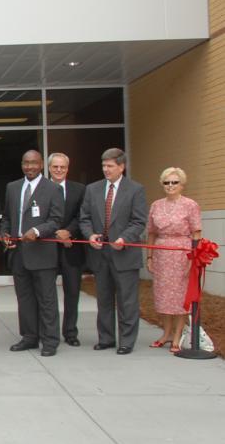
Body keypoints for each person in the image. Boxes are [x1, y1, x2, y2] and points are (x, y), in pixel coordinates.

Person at [79, 147, 147, 355]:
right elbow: (85, 218)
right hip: (101, 254)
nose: (106, 170)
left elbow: (139, 221)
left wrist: (124, 238)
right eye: (103, 166)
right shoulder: (93, 189)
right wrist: (90, 235)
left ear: (121, 167)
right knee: (105, 299)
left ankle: (126, 341)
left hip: (124, 254)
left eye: (110, 166)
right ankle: (106, 338)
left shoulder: (135, 190)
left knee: (127, 301)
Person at [0, 150, 63, 356]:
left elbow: (56, 220)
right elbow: (7, 217)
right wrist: (4, 234)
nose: (30, 167)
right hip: (18, 254)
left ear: (41, 165)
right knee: (24, 299)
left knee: (47, 299)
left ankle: (50, 341)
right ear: (22, 164)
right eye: (26, 163)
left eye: (34, 163)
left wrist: (37, 231)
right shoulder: (13, 187)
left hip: (43, 253)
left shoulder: (53, 189)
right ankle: (29, 337)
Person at [146, 167, 201, 353]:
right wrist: (150, 256)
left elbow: (196, 233)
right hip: (161, 253)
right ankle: (166, 333)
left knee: (179, 297)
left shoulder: (190, 205)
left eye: (174, 182)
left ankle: (177, 335)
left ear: (182, 184)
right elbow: (152, 232)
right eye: (167, 182)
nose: (170, 186)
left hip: (182, 254)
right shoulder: (156, 205)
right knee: (163, 297)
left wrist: (193, 259)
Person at [48, 153, 87, 346]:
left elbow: (83, 215)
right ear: (49, 168)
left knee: (72, 293)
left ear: (67, 168)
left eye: (62, 167)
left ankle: (70, 333)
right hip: (46, 250)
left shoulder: (79, 190)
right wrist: (57, 234)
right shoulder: (41, 188)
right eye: (55, 167)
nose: (58, 170)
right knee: (47, 295)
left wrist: (68, 232)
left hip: (72, 250)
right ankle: (49, 332)